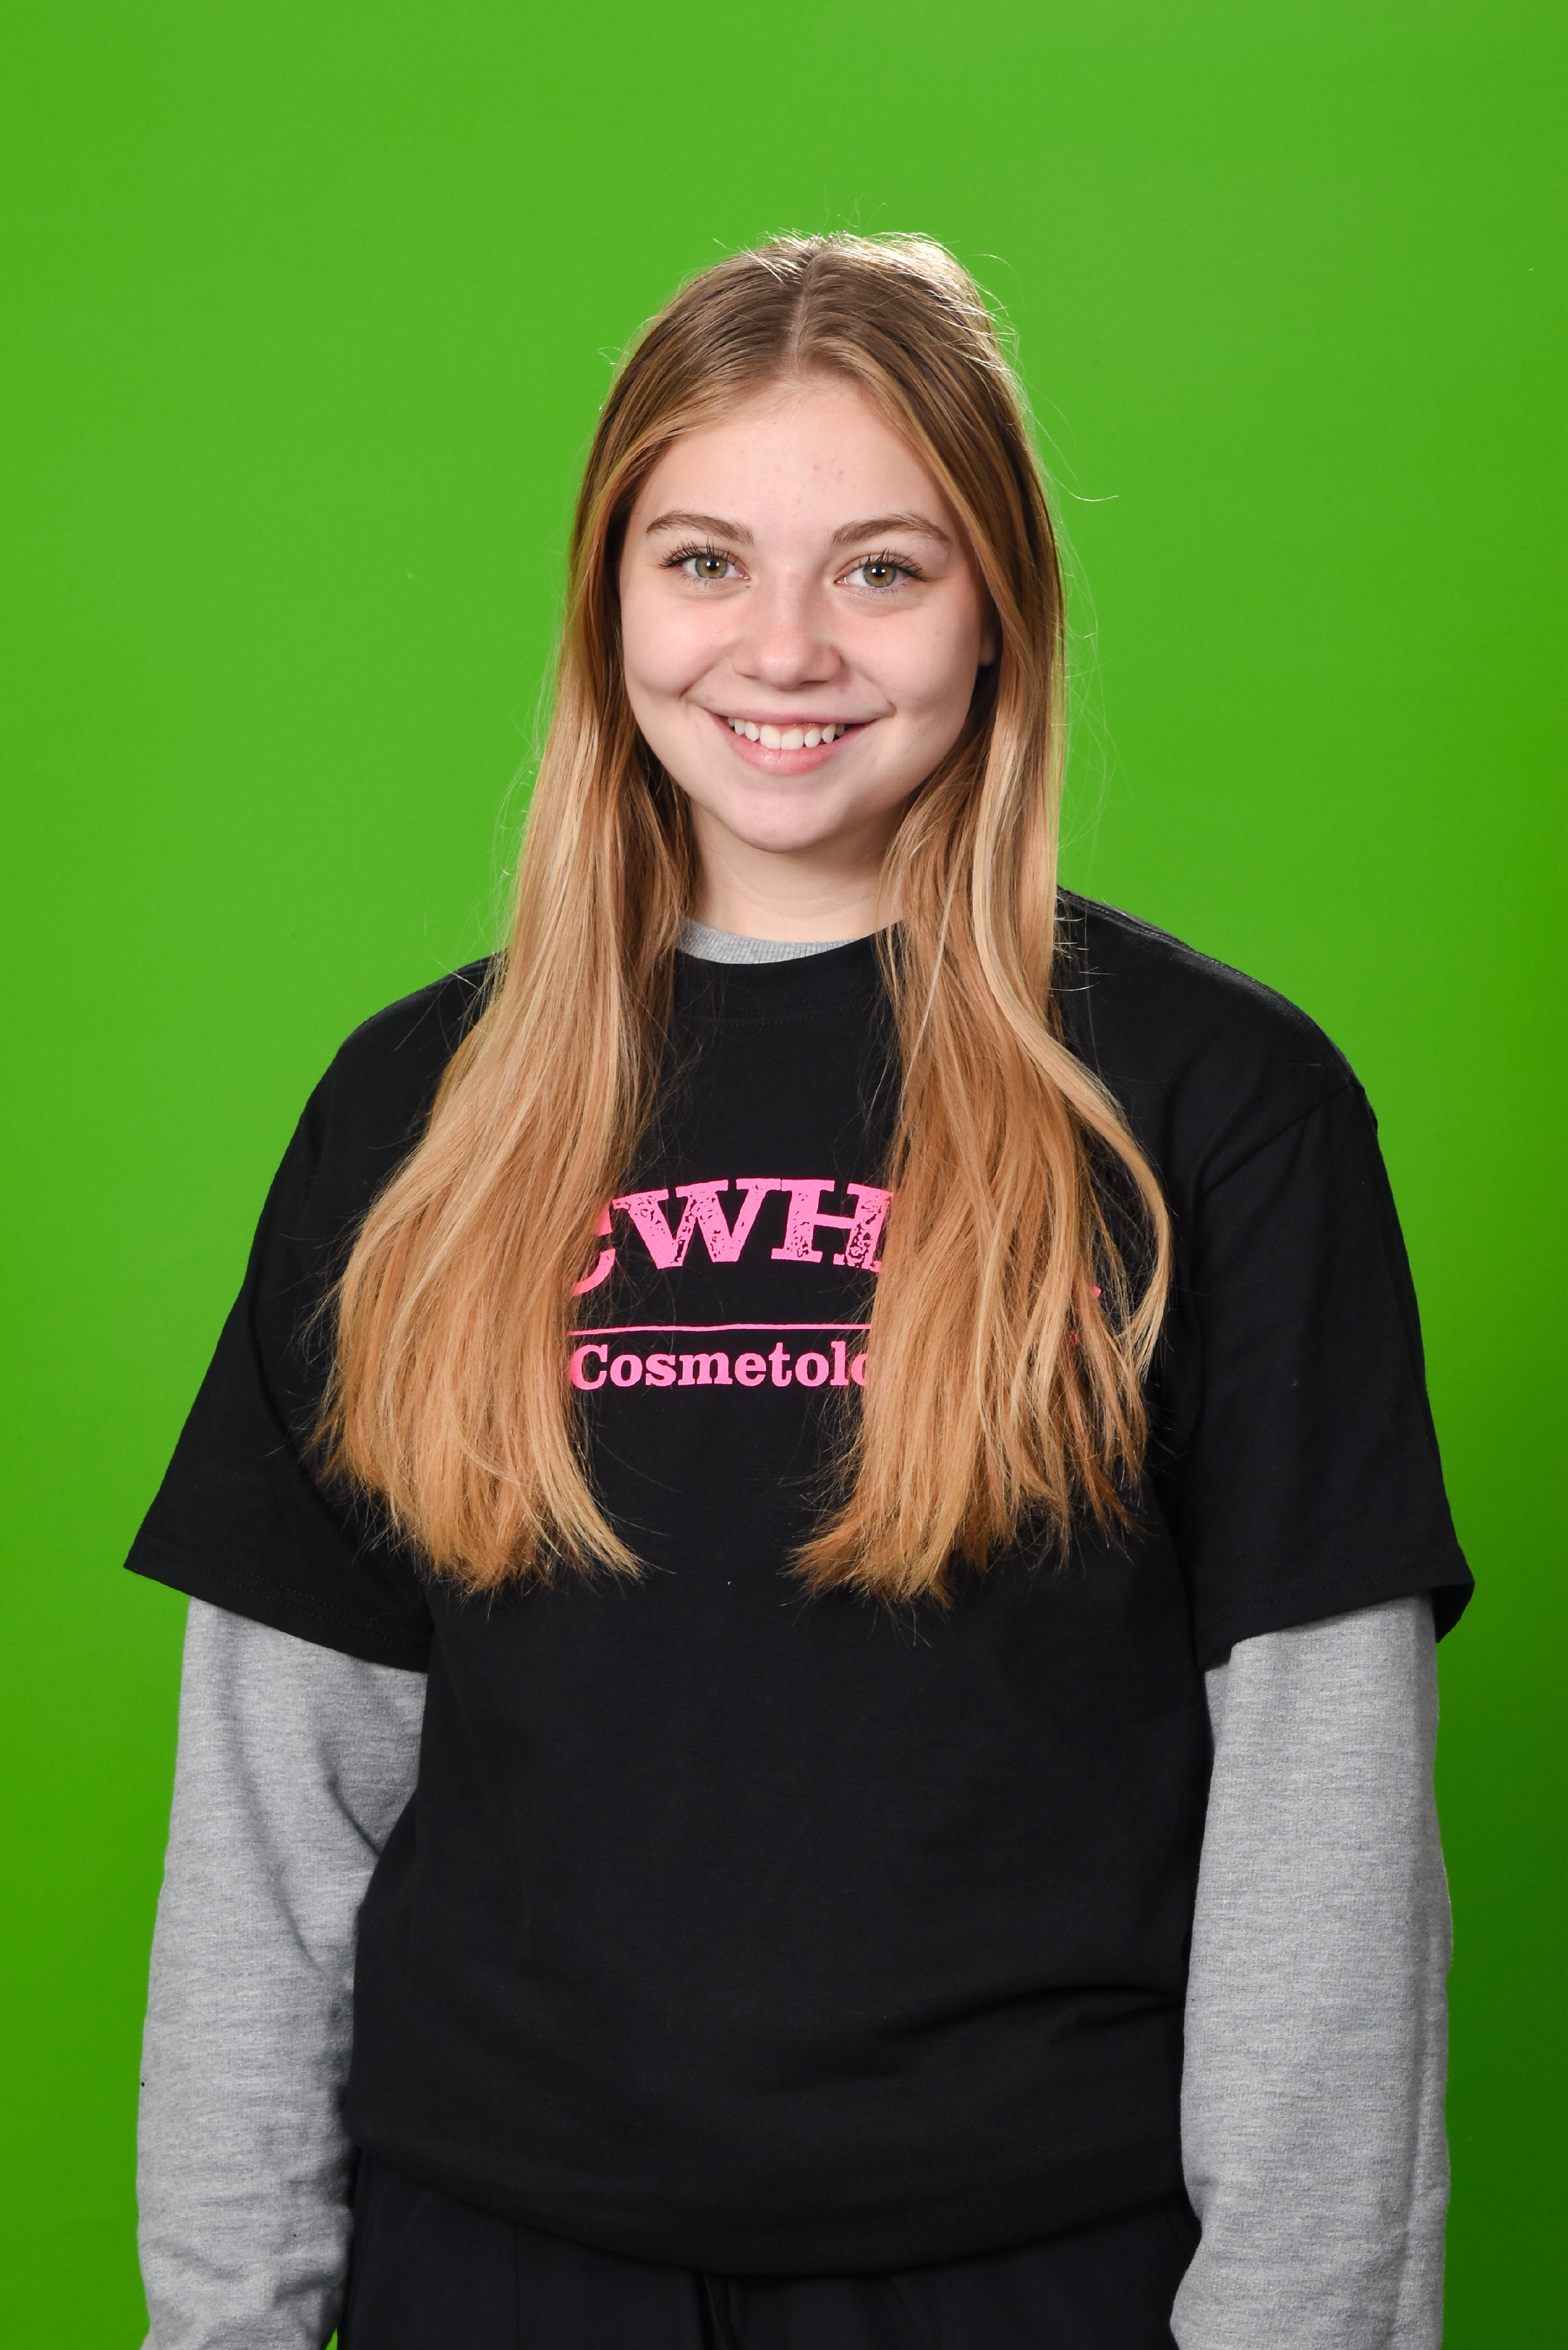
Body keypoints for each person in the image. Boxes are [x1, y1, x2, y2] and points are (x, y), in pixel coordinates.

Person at [128, 233, 1470, 2350]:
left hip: (1033, 2271)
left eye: (880, 570)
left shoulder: (1216, 1106)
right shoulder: (413, 1113)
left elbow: (1328, 1828)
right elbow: (272, 1820)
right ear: (608, 601)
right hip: (491, 2268)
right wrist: (222, 2325)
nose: (783, 649)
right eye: (702, 562)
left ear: (997, 607)